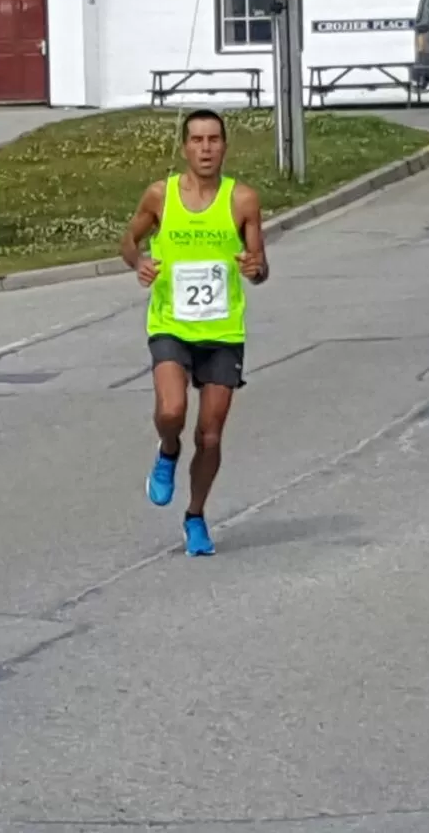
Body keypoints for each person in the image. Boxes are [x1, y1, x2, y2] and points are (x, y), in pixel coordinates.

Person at [120, 108, 268, 556]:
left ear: (225, 146)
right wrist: (139, 261)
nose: (205, 148)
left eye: (214, 140)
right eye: (197, 140)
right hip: (171, 321)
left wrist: (255, 268)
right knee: (172, 410)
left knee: (210, 435)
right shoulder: (160, 196)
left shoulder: (242, 200)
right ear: (184, 147)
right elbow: (129, 241)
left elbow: (260, 267)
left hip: (222, 330)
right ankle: (167, 451)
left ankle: (196, 516)